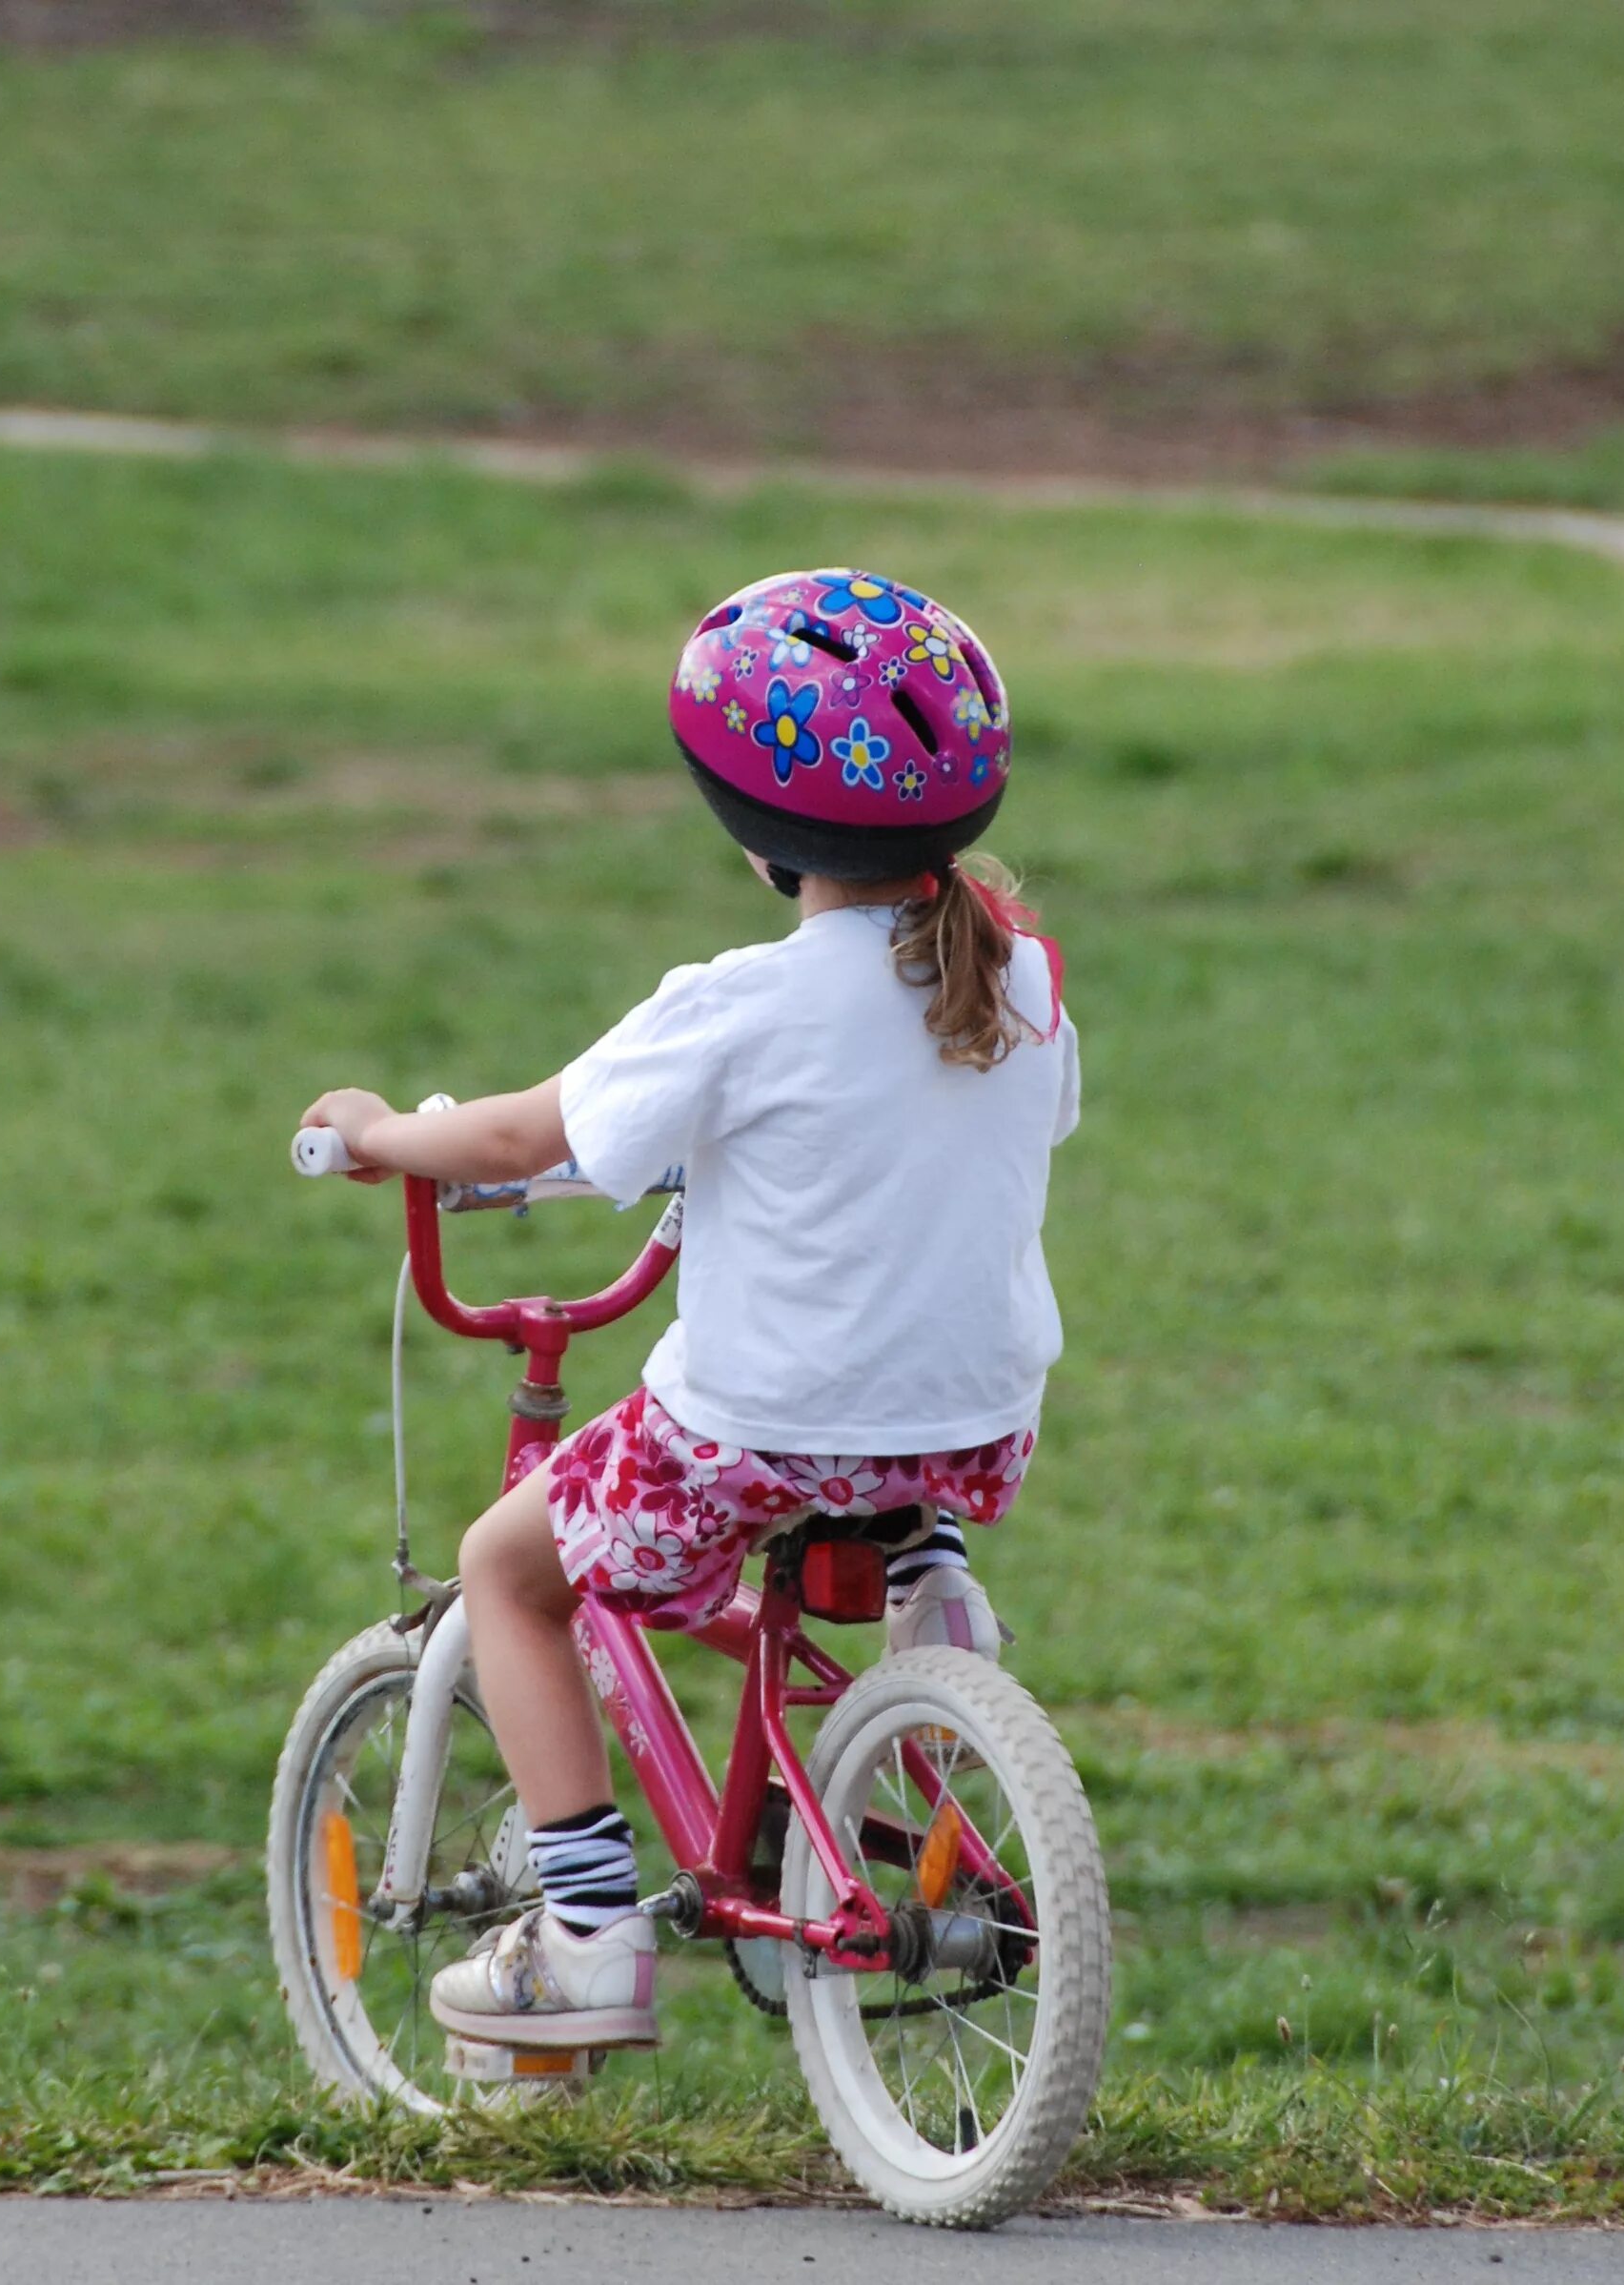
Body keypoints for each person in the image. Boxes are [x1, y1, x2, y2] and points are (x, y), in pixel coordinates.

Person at [298, 569, 1080, 2053]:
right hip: (976, 1432)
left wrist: (391, 1132)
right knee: (887, 1447)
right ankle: (933, 1581)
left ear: (751, 826)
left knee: (508, 1569)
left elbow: (532, 1141)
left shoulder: (737, 1000)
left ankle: (587, 1936)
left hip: (763, 1437)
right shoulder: (1024, 976)